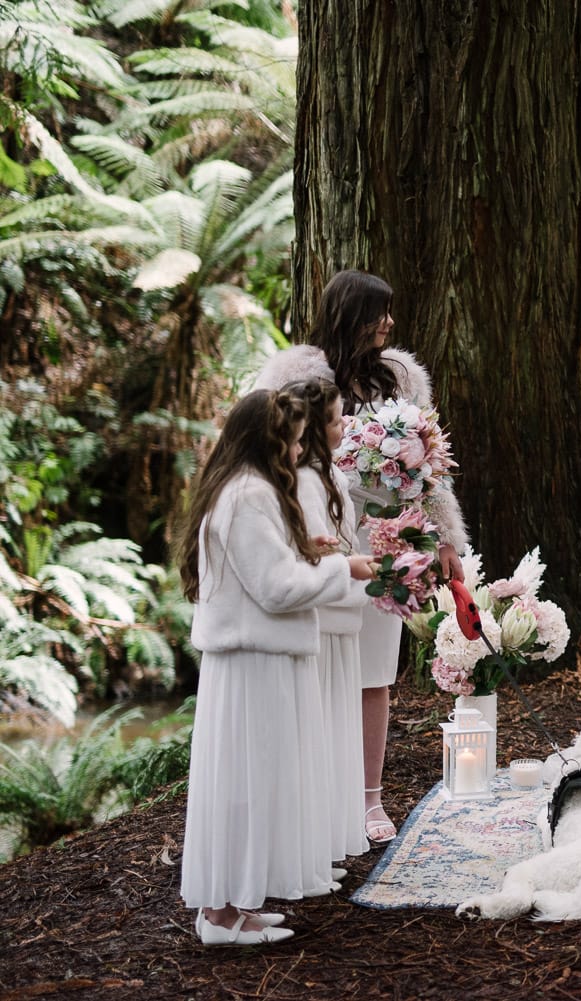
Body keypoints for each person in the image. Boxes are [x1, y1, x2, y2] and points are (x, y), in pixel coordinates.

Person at [254, 270, 468, 845]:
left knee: (374, 674)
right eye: (380, 312)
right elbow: (268, 456)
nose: (390, 324)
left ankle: (368, 801)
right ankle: (313, 795)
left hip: (385, 542)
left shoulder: (401, 380)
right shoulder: (291, 378)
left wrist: (444, 538)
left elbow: (433, 469)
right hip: (320, 537)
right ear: (351, 314)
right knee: (318, 668)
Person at [177, 389, 378, 945]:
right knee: (245, 783)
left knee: (257, 781)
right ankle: (219, 916)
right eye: (290, 441)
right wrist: (346, 571)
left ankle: (236, 905)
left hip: (261, 660)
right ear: (266, 442)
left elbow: (270, 567)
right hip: (251, 665)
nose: (297, 451)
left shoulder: (248, 491)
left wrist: (310, 552)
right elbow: (275, 588)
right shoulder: (245, 497)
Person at [283, 377, 369, 863]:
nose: (346, 425)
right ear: (315, 429)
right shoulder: (307, 482)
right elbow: (322, 552)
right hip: (323, 624)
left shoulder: (332, 475)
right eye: (337, 419)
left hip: (343, 622)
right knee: (322, 732)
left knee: (340, 733)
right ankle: (311, 848)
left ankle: (333, 842)